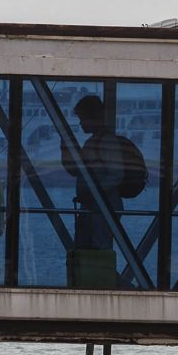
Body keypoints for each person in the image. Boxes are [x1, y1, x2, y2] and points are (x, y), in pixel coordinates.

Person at [61, 95, 124, 250]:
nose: (81, 123)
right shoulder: (93, 142)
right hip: (94, 207)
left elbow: (117, 175)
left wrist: (92, 191)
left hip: (102, 207)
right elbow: (76, 170)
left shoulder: (106, 142)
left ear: (94, 116)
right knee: (90, 250)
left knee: (98, 250)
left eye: (83, 118)